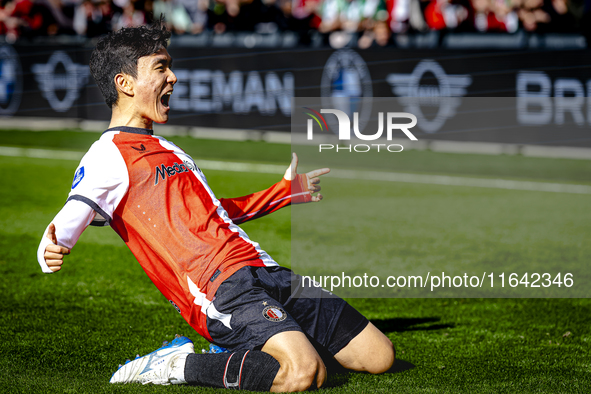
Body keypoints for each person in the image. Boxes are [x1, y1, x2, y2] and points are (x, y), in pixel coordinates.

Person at [36, 19, 394, 392]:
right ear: (124, 84)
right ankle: (178, 364)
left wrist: (283, 192)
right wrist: (53, 246)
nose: (173, 77)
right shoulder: (107, 156)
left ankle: (262, 339)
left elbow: (211, 212)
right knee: (303, 373)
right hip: (217, 288)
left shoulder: (170, 150)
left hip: (261, 267)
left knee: (379, 356)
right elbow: (66, 221)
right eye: (160, 67)